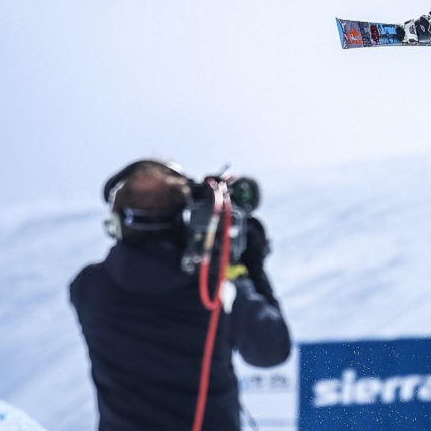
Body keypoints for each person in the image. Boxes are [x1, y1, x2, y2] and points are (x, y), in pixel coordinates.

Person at [69, 159, 292, 431]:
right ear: (184, 220)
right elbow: (270, 351)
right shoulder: (214, 291)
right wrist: (248, 267)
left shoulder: (89, 289)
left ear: (117, 223)